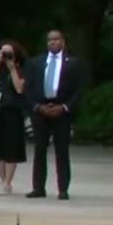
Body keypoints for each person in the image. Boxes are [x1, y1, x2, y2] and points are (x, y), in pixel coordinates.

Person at [24, 29, 82, 200]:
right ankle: (38, 188)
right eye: (49, 40)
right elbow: (28, 89)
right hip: (41, 110)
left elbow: (78, 91)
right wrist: (37, 107)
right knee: (39, 149)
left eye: (56, 39)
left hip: (61, 110)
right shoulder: (36, 62)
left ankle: (63, 189)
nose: (52, 43)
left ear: (63, 41)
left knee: (62, 151)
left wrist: (64, 107)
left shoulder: (73, 63)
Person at [0, 40, 27, 195]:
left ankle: (8, 182)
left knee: (11, 148)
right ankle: (2, 180)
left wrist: (12, 69)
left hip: (13, 112)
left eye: (9, 53)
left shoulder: (22, 69)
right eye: (3, 52)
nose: (6, 56)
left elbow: (20, 88)